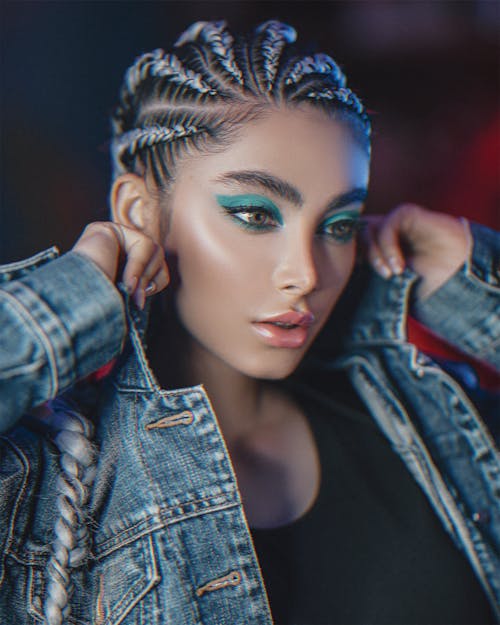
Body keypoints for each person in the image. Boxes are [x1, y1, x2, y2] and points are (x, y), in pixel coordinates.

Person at [0, 19, 498, 625]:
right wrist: (68, 298)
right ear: (140, 210)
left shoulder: (430, 414)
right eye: (255, 214)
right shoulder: (46, 478)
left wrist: (477, 282)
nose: (306, 274)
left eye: (338, 225)